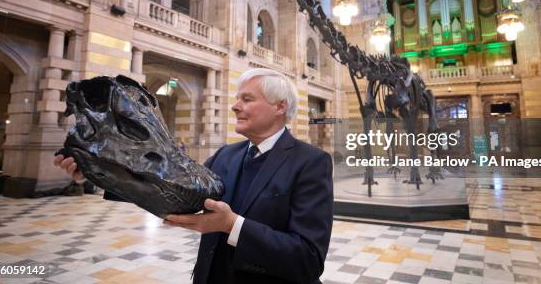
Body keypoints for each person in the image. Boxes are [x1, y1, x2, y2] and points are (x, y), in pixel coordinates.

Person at [54, 68, 334, 284]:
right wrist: (96, 173)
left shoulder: (311, 163)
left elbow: (308, 258)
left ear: (279, 107)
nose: (235, 106)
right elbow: (177, 190)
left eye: (247, 99)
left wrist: (232, 225)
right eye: (237, 98)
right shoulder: (226, 155)